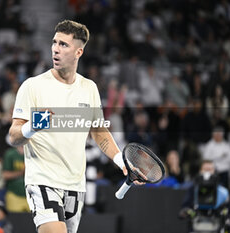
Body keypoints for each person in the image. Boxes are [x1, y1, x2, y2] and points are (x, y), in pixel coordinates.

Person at [9, 20, 143, 233]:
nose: (55, 49)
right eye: (54, 42)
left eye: (63, 44)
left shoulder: (89, 88)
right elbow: (13, 137)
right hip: (42, 180)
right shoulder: (32, 86)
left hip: (75, 186)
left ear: (78, 52)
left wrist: (121, 160)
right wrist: (33, 126)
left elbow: (99, 132)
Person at [179, 160, 230, 233]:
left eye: (210, 169)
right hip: (196, 226)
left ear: (214, 171)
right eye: (205, 169)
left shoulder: (223, 191)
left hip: (216, 226)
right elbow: (185, 207)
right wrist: (187, 211)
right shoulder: (193, 189)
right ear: (200, 171)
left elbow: (227, 212)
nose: (208, 172)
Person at [2, 146, 29, 213]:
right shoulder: (10, 154)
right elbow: (5, 175)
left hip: (31, 195)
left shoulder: (33, 153)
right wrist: (21, 172)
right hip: (14, 194)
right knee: (15, 220)